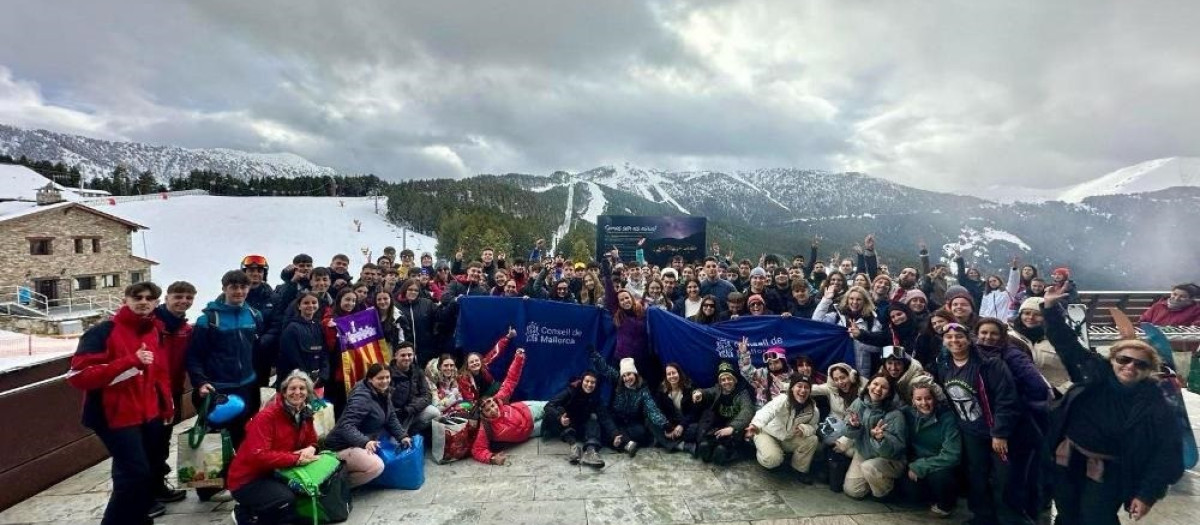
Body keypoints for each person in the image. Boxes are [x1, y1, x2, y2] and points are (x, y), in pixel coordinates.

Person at [1041, 286, 1184, 524]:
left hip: (1111, 472)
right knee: (1066, 514)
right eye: (1124, 359)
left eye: (1140, 364)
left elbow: (1168, 454)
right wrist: (1049, 308)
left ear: (1150, 371)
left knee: (1097, 518)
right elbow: (1067, 344)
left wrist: (1147, 494)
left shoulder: (1154, 404)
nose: (1130, 367)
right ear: (1112, 359)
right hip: (1067, 459)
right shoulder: (1094, 375)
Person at [68, 282, 172, 525]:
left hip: (147, 413)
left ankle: (138, 519)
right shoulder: (103, 331)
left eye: (149, 298)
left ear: (157, 302)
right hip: (113, 415)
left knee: (143, 472)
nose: (143, 302)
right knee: (134, 475)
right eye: (137, 297)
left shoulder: (152, 330)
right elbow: (78, 376)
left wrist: (166, 405)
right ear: (125, 299)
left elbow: (157, 373)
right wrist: (129, 361)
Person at [934, 322, 1029, 525]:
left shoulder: (990, 364)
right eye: (949, 338)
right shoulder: (944, 364)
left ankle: (1010, 520)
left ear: (969, 339)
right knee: (977, 475)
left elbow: (1006, 399)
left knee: (1004, 478)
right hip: (970, 430)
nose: (954, 341)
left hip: (996, 431)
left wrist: (1000, 433)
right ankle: (982, 517)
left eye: (959, 336)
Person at [227, 370, 320, 525]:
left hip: (277, 471)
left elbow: (313, 440)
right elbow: (259, 455)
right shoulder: (266, 417)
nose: (297, 393)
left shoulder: (304, 413)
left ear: (308, 392)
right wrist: (296, 459)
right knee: (285, 499)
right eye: (292, 389)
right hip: (248, 479)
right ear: (283, 392)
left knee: (308, 491)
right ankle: (247, 515)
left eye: (302, 389)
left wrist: (311, 448)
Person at [187, 270, 263, 448]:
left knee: (244, 434)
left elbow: (256, 349)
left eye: (243, 287)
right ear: (224, 289)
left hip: (247, 385)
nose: (239, 291)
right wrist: (200, 382)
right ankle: (223, 474)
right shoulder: (208, 320)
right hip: (219, 388)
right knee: (220, 440)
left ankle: (241, 473)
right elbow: (194, 356)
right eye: (233, 287)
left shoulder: (254, 315)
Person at [324, 363, 412, 487]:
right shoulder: (362, 397)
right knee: (376, 466)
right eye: (380, 378)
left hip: (364, 439)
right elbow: (346, 425)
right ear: (370, 379)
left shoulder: (382, 392)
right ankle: (338, 487)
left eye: (387, 377)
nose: (385, 381)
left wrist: (402, 435)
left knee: (398, 445)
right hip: (341, 447)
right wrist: (364, 442)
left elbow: (391, 417)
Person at [151, 281, 195, 506]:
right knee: (148, 444)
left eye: (188, 298)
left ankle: (158, 486)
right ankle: (145, 496)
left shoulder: (185, 329)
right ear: (166, 298)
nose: (183, 301)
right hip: (150, 393)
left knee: (162, 441)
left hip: (174, 391)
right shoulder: (152, 324)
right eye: (178, 296)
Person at [472, 349, 551, 465]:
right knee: (555, 421)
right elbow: (477, 450)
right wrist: (492, 458)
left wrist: (519, 358)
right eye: (488, 410)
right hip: (530, 431)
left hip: (528, 409)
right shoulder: (486, 428)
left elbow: (511, 380)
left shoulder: (499, 398)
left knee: (553, 406)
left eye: (493, 406)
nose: (493, 410)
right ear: (483, 413)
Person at [897, 379, 960, 518]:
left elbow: (952, 454)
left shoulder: (947, 418)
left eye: (928, 398)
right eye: (918, 399)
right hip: (915, 462)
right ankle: (927, 498)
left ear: (935, 399)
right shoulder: (907, 413)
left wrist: (921, 466)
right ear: (912, 401)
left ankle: (946, 505)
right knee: (906, 491)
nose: (924, 403)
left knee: (943, 480)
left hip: (940, 465)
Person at [842, 373, 907, 500]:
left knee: (869, 467)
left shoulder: (895, 415)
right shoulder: (858, 403)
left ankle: (886, 491)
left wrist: (881, 439)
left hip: (889, 458)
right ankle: (872, 482)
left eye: (883, 387)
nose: (877, 389)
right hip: (864, 452)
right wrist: (853, 426)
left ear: (889, 394)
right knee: (853, 491)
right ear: (868, 385)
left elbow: (898, 448)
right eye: (875, 384)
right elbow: (847, 432)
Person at [746, 374, 821, 483]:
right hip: (768, 434)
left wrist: (805, 429)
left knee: (812, 439)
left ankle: (799, 469)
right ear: (792, 388)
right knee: (773, 460)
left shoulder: (813, 409)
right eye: (799, 386)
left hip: (788, 438)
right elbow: (767, 412)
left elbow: (814, 426)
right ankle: (760, 449)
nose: (803, 390)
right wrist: (755, 425)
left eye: (806, 387)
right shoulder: (782, 400)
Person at [591, 354, 671, 456]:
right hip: (616, 419)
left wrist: (665, 424)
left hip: (631, 422)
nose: (626, 378)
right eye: (624, 375)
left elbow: (652, 409)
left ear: (635, 374)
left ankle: (621, 442)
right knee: (606, 426)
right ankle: (627, 443)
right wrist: (595, 356)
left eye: (629, 374)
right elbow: (605, 369)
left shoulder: (643, 390)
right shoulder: (618, 380)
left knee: (641, 432)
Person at [814, 285, 888, 376]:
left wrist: (860, 336)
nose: (854, 302)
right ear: (847, 300)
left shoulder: (872, 319)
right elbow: (816, 322)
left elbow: (876, 347)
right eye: (851, 298)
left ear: (865, 301)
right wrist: (826, 300)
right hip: (839, 367)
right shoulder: (838, 315)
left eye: (858, 299)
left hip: (861, 370)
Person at [692, 362, 755, 464]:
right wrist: (699, 393)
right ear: (720, 382)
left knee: (726, 445)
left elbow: (747, 410)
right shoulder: (718, 389)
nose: (726, 382)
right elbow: (708, 391)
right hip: (719, 424)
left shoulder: (742, 393)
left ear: (734, 380)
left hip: (733, 426)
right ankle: (708, 446)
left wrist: (733, 428)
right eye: (723, 380)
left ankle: (726, 452)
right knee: (708, 431)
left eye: (729, 378)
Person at [545, 371, 610, 468]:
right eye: (587, 381)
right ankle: (574, 447)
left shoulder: (596, 397)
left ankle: (591, 452)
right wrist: (560, 417)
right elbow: (549, 406)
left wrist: (615, 434)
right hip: (566, 425)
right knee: (559, 410)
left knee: (593, 417)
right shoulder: (570, 391)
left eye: (592, 382)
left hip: (581, 425)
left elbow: (605, 417)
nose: (589, 385)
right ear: (581, 381)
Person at [1008, 297, 1072, 394]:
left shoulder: (1063, 339)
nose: (1030, 318)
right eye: (1026, 313)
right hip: (1021, 397)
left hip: (1060, 398)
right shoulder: (1010, 338)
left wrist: (1061, 391)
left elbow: (1082, 370)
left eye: (1038, 314)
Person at [275, 292, 329, 390]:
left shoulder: (318, 326)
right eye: (306, 303)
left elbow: (324, 352)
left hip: (316, 380)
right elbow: (292, 357)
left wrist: (323, 375)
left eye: (314, 302)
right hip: (295, 381)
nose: (310, 305)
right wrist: (306, 377)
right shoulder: (291, 328)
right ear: (299, 306)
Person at [321, 288, 363, 416]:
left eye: (354, 300)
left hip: (352, 370)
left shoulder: (356, 319)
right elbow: (329, 345)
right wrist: (331, 327)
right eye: (347, 300)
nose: (351, 303)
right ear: (339, 300)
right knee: (335, 406)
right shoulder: (329, 319)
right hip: (335, 370)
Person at [389, 341, 438, 434]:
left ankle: (411, 432)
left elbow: (427, 395)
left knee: (434, 413)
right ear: (395, 356)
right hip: (395, 417)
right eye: (403, 355)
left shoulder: (418, 371)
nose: (407, 358)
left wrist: (410, 409)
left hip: (411, 412)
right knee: (395, 445)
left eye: (409, 355)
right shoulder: (388, 374)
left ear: (413, 355)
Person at [652, 362, 703, 453]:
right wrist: (666, 427)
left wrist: (682, 425)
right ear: (666, 376)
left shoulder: (690, 387)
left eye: (674, 373)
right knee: (651, 422)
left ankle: (663, 440)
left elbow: (694, 412)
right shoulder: (661, 390)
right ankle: (681, 445)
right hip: (670, 423)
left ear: (679, 373)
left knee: (694, 430)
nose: (672, 376)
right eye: (669, 374)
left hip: (686, 422)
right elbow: (658, 411)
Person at [459, 328, 516, 402]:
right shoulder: (464, 378)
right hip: (475, 401)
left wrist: (508, 337)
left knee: (500, 386)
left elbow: (495, 351)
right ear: (467, 366)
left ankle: (505, 407)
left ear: (480, 361)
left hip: (486, 394)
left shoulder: (484, 365)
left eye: (476, 360)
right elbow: (468, 398)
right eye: (471, 362)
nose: (475, 363)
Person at [394, 278, 440, 366]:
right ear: (404, 290)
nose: (413, 292)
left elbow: (439, 319)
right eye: (410, 289)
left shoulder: (427, 304)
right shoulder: (396, 306)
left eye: (416, 290)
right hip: (405, 354)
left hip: (426, 351)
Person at [738, 339, 791, 408]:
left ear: (783, 361)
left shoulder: (792, 376)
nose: (773, 366)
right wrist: (744, 354)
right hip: (763, 411)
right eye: (770, 364)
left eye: (776, 362)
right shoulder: (763, 374)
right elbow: (746, 371)